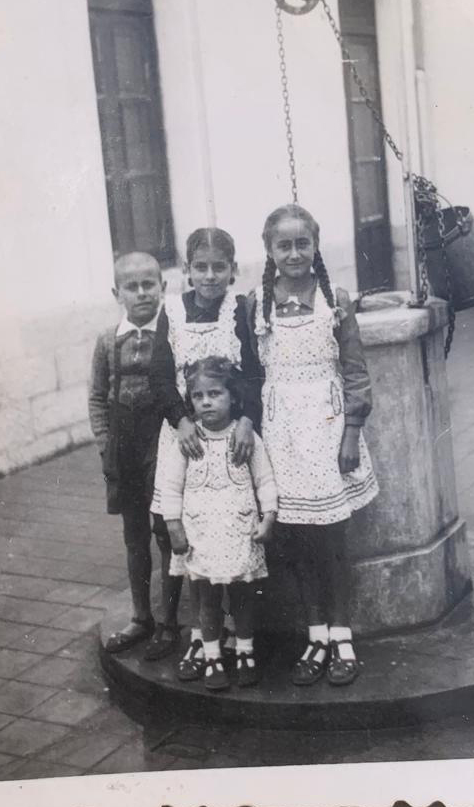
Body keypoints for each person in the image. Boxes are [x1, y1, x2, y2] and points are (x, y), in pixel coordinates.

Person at [248, 204, 378, 687]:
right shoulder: (256, 305)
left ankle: (343, 635)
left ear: (316, 245)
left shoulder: (335, 300)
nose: (295, 252)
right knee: (299, 543)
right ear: (269, 250)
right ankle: (316, 634)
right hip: (283, 438)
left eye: (303, 243)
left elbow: (356, 374)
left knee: (332, 541)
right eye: (284, 245)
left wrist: (351, 433)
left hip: (327, 435)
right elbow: (250, 374)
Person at [149, 227, 263, 680]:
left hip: (231, 439)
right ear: (187, 270)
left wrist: (248, 421)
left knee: (232, 531)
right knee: (188, 534)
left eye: (219, 267)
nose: (210, 276)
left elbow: (253, 374)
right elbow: (160, 376)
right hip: (186, 439)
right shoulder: (171, 312)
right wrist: (180, 420)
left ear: (233, 270)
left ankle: (238, 635)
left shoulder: (240, 309)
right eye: (201, 267)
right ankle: (200, 637)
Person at [88, 252, 182, 659]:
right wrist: (106, 441)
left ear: (162, 286)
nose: (142, 293)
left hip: (161, 445)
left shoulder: (173, 331)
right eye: (132, 286)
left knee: (166, 532)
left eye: (150, 284)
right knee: (135, 537)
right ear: (117, 293)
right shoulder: (109, 340)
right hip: (124, 448)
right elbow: (96, 397)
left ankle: (169, 621)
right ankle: (141, 616)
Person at [163, 356, 277, 691]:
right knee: (206, 600)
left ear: (233, 397)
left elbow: (265, 480)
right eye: (199, 397)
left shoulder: (247, 438)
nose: (207, 402)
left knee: (242, 596)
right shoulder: (185, 442)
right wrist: (174, 528)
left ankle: (244, 651)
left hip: (239, 531)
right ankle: (212, 656)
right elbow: (170, 488)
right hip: (201, 535)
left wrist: (268, 516)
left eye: (215, 394)